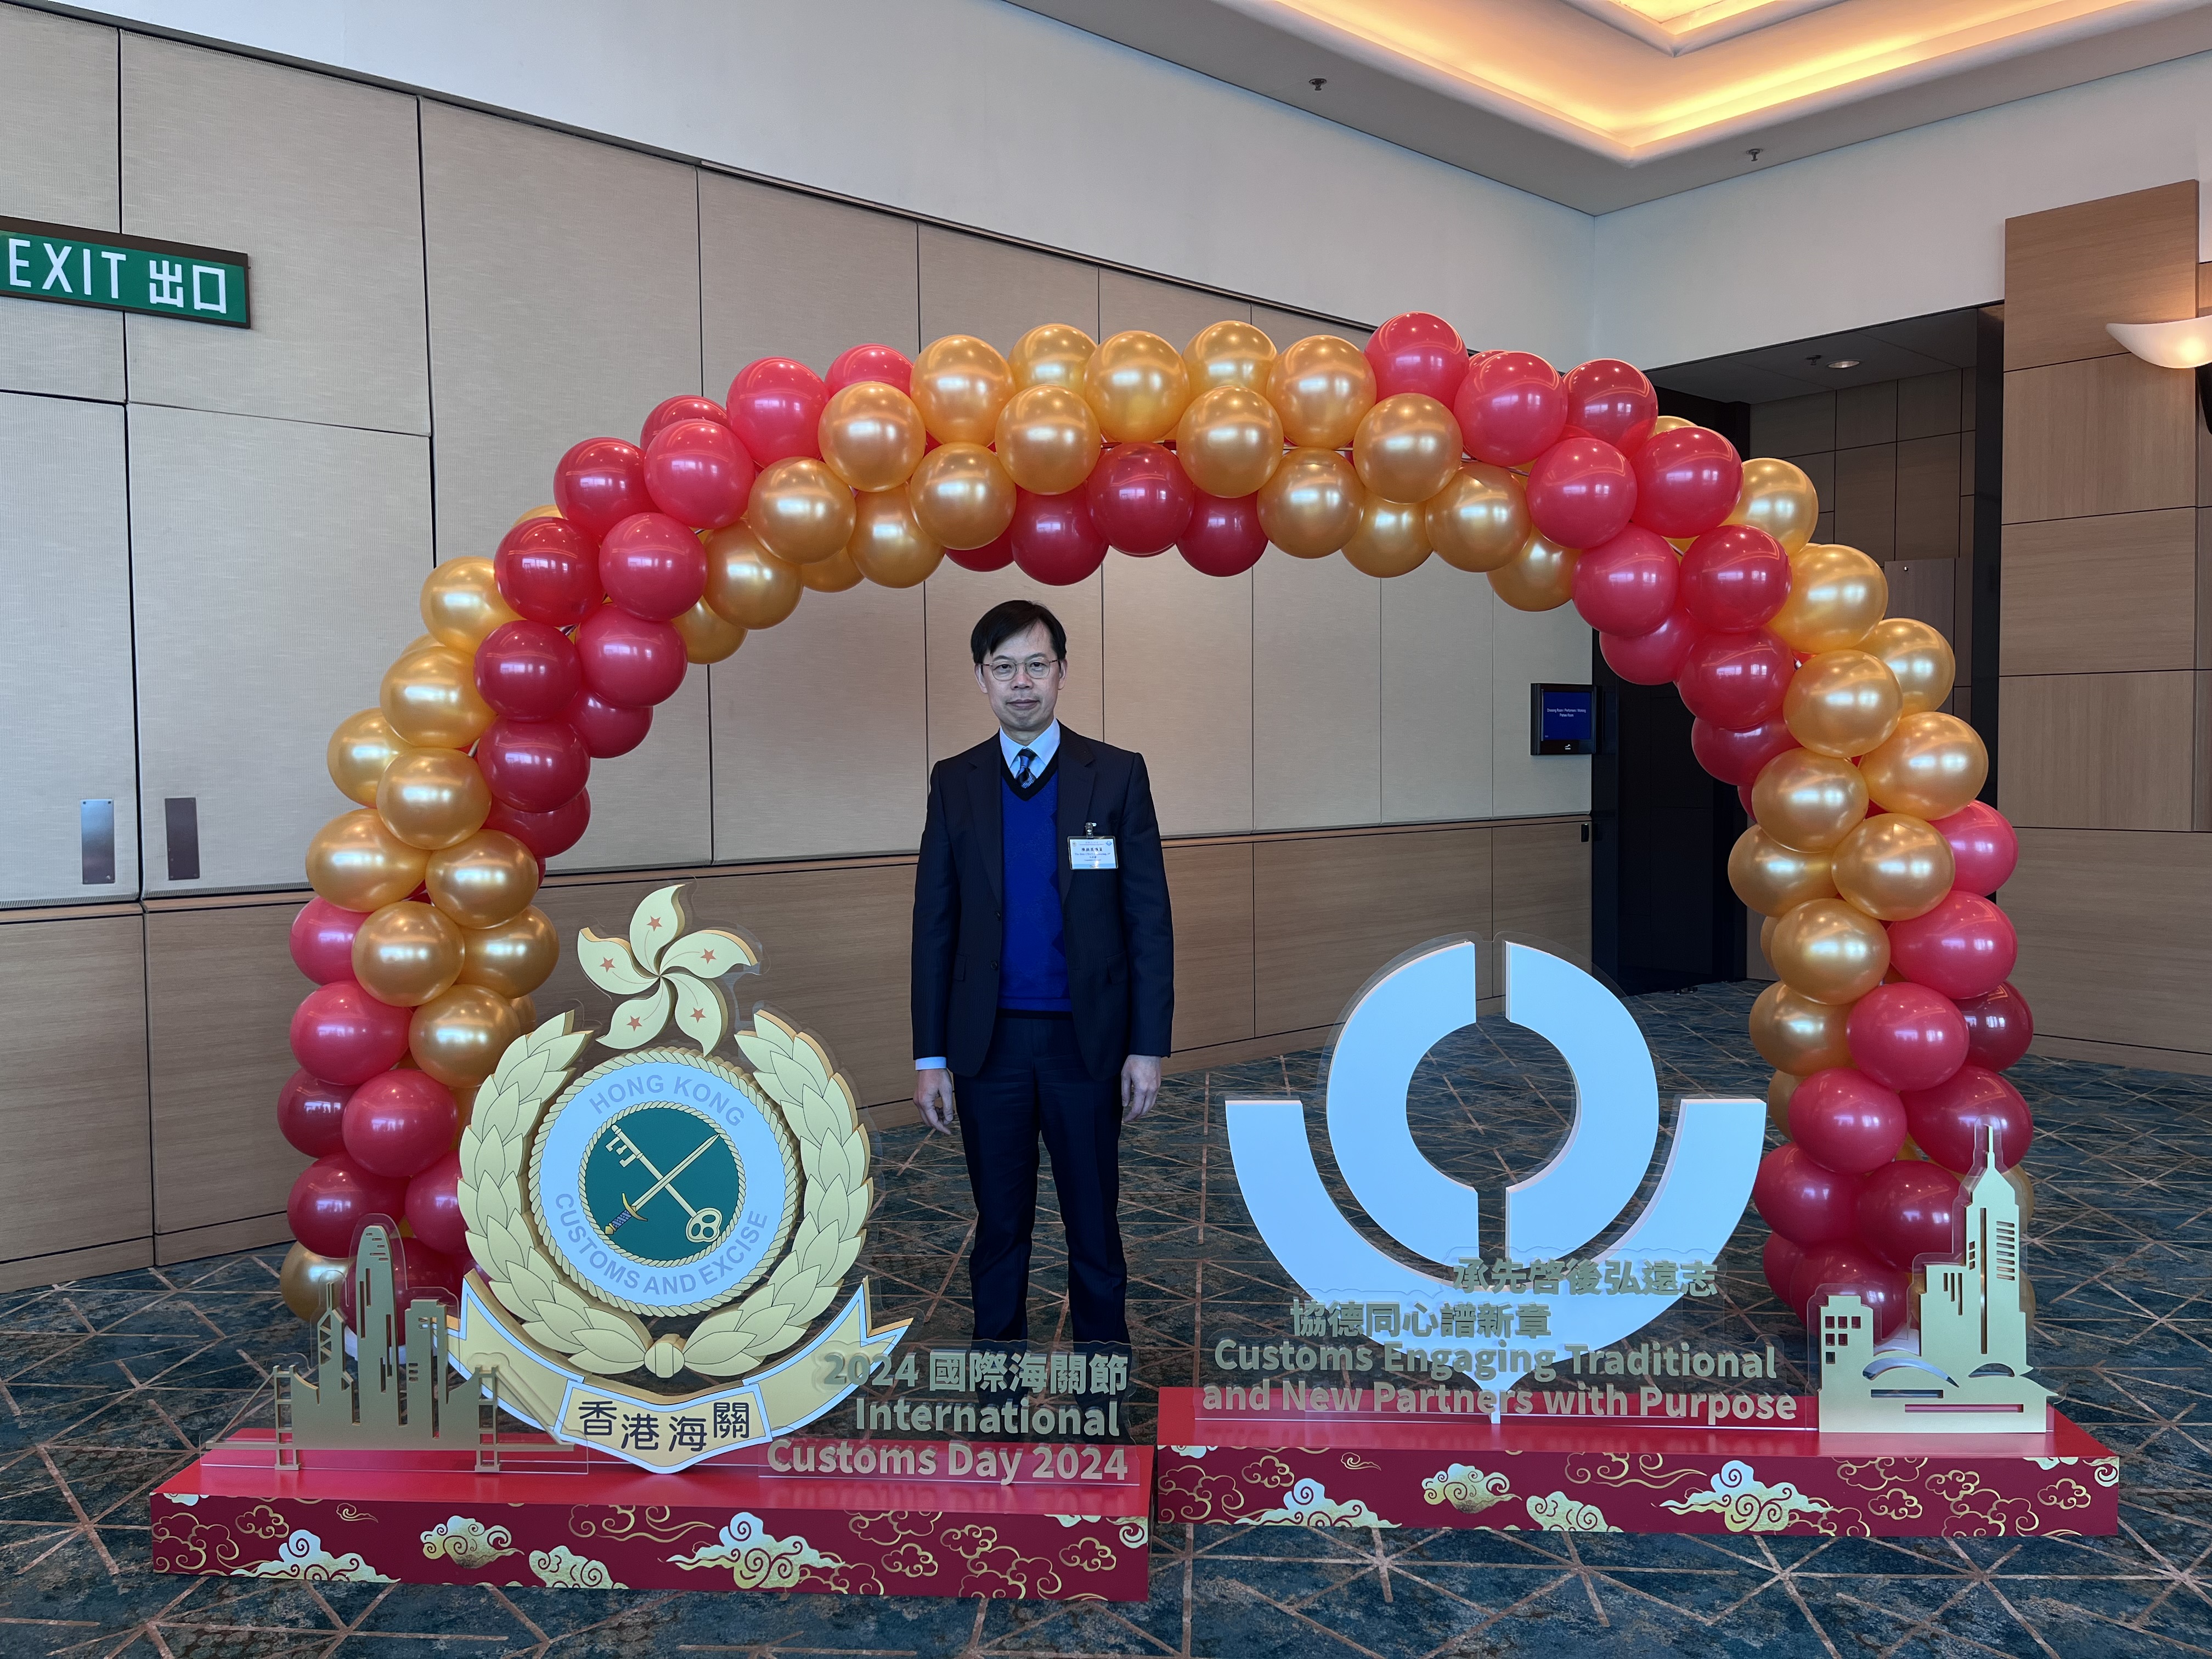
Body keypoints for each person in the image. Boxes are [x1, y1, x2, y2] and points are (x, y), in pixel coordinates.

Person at [910, 599, 1173, 1356]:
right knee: (999, 1227)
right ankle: (998, 1385)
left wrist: (1147, 1045)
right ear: (981, 678)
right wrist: (930, 1055)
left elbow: (1148, 920)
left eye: (1036, 665)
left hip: (1085, 1046)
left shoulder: (1116, 775)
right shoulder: (955, 781)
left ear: (1062, 673)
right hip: (986, 1047)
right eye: (1004, 668)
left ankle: (1101, 1384)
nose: (1020, 683)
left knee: (1094, 1225)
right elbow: (935, 926)